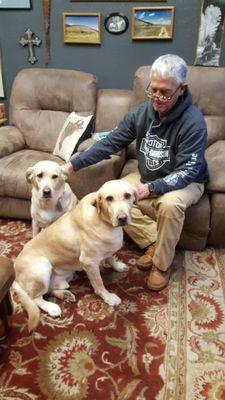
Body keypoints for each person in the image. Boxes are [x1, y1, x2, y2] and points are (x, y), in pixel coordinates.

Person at [62, 54, 209, 291]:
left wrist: (151, 188)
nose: (157, 98)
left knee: (170, 205)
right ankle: (154, 240)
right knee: (112, 196)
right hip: (149, 176)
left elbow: (188, 170)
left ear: (182, 89)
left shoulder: (193, 122)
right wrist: (72, 165)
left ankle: (161, 264)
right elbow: (109, 143)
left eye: (165, 92)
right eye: (153, 90)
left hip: (186, 181)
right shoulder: (140, 113)